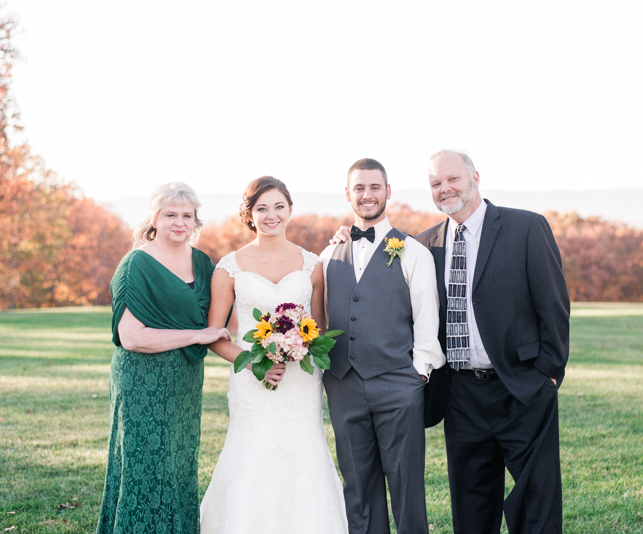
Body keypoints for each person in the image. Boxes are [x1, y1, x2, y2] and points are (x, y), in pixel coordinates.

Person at [419, 150, 570, 533]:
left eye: (452, 179)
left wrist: (548, 375)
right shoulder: (425, 246)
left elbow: (554, 306)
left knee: (537, 503)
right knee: (471, 510)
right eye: (436, 183)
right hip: (460, 394)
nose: (445, 189)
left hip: (521, 387)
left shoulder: (526, 227)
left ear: (475, 177)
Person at [200, 176, 348, 534]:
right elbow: (214, 336)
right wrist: (256, 363)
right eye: (262, 208)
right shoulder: (228, 268)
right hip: (253, 382)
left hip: (300, 383)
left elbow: (320, 327)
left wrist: (298, 348)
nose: (271, 215)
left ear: (290, 210)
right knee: (253, 453)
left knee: (303, 453)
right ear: (249, 214)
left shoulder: (313, 265)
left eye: (278, 206)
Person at [97, 182, 231, 534]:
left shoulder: (202, 264)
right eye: (170, 214)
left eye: (187, 215)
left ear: (195, 221)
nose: (179, 222)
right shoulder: (136, 264)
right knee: (146, 466)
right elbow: (132, 337)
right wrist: (196, 336)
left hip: (185, 379)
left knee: (180, 464)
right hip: (143, 379)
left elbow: (225, 315)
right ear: (154, 218)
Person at [320, 158, 444, 534]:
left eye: (375, 187)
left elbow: (427, 318)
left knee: (406, 485)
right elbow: (322, 319)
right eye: (359, 188)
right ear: (348, 194)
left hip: (398, 385)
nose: (367, 195)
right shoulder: (326, 257)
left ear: (388, 192)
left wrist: (417, 374)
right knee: (357, 486)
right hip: (343, 385)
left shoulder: (412, 252)